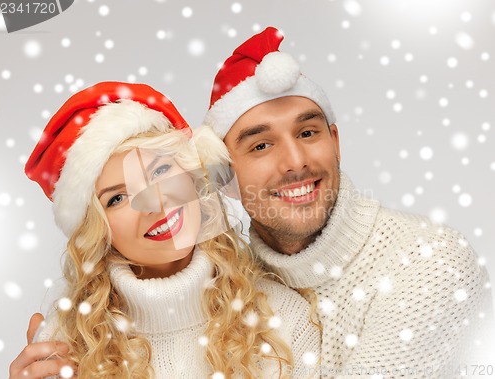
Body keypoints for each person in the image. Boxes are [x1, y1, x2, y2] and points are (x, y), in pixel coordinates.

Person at [202, 27, 494, 378]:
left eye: (307, 133)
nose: (295, 161)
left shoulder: (430, 260)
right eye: (261, 146)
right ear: (225, 177)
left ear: (335, 142)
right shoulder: (233, 288)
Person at [9, 81, 321, 378]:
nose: (154, 204)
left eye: (159, 172)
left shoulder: (286, 321)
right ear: (98, 230)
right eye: (117, 198)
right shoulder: (67, 345)